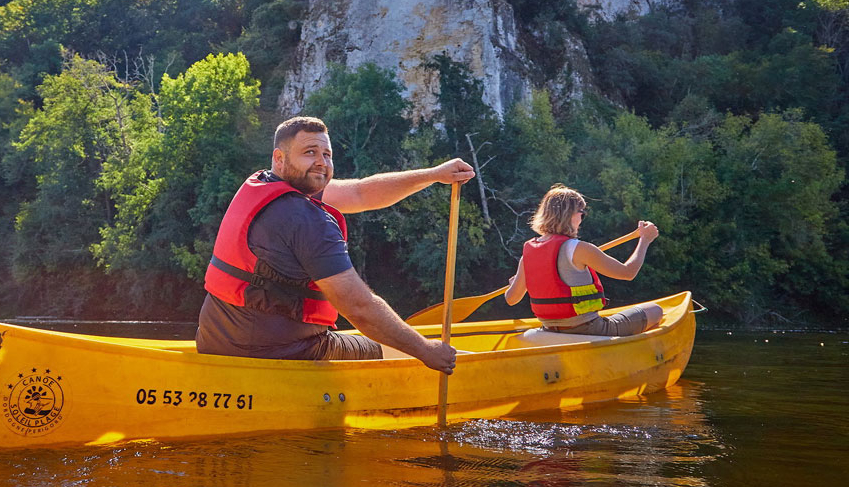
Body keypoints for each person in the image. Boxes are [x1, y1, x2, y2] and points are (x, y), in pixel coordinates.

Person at [196, 116, 475, 374]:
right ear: (279, 158)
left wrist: (433, 175)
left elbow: (360, 192)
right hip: (281, 355)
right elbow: (359, 306)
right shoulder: (307, 220)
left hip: (215, 343)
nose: (321, 162)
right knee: (389, 349)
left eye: (327, 155)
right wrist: (426, 350)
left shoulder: (262, 184)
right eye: (310, 152)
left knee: (384, 341)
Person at [503, 184, 663, 336]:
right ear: (570, 215)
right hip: (590, 329)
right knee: (655, 310)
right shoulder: (579, 249)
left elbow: (511, 299)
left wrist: (516, 283)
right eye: (581, 213)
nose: (582, 218)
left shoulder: (529, 254)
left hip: (549, 329)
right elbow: (627, 273)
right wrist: (645, 240)